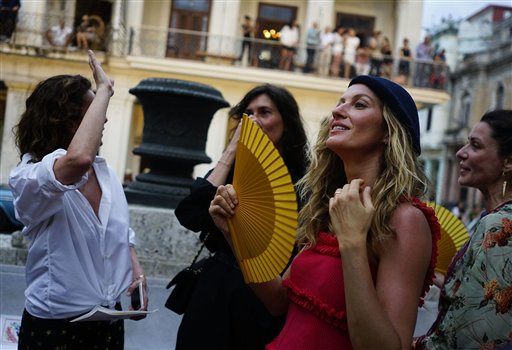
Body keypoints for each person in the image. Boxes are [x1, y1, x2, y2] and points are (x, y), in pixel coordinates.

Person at [209, 75, 441, 349]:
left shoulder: (405, 219)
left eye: (359, 105)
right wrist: (234, 232)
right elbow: (277, 301)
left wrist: (353, 243)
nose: (337, 110)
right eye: (341, 102)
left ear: (389, 131)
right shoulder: (330, 206)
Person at [9, 50, 148, 349]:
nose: (104, 117)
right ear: (68, 121)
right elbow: (77, 159)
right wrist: (105, 91)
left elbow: (122, 234)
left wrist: (135, 274)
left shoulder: (107, 172)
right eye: (93, 110)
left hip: (108, 321)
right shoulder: (28, 177)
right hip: (55, 328)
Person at [173, 84, 309, 350]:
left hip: (263, 297)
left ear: (286, 122)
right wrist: (232, 150)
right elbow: (190, 214)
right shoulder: (232, 172)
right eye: (248, 113)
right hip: (214, 290)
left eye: (265, 112)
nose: (255, 120)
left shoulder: (304, 182)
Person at [415, 109, 512, 349]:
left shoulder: (500, 225)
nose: (461, 152)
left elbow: (476, 328)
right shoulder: (493, 218)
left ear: (508, 161)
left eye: (475, 146)